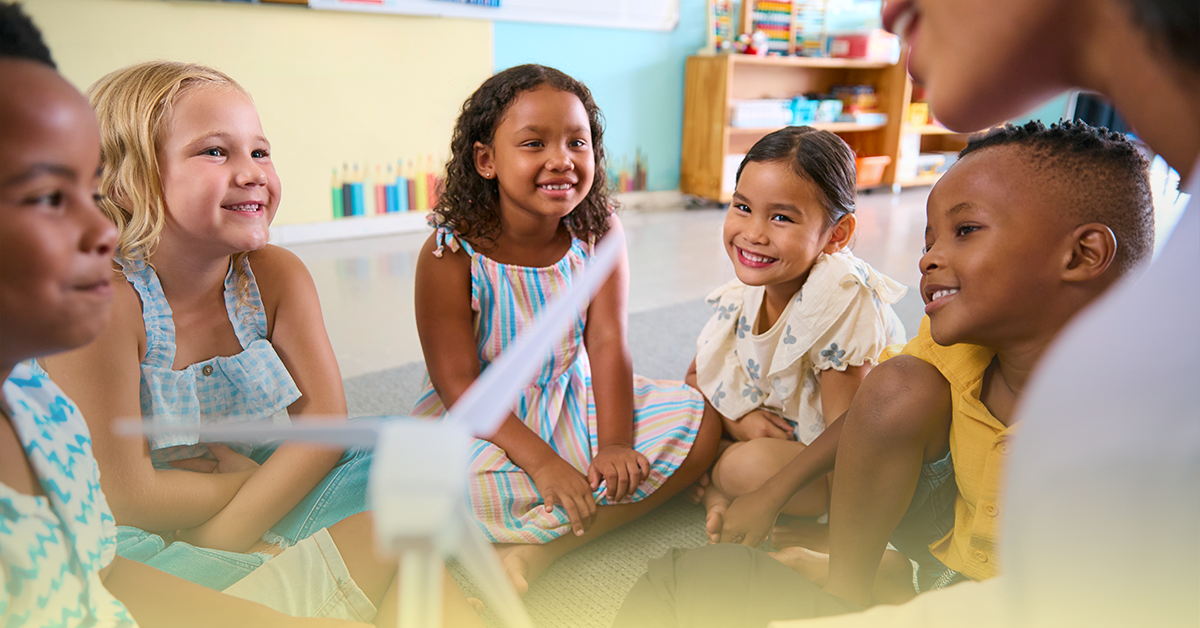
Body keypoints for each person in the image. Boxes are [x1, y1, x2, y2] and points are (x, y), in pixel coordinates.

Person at [612, 120, 1156, 627]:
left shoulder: (1148, 425)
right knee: (896, 384)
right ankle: (848, 587)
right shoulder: (953, 351)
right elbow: (865, 416)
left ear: (1084, 254)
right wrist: (771, 491)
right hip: (939, 556)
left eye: (965, 230)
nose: (928, 259)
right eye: (928, 241)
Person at [0, 5, 367, 625]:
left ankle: (265, 561)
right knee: (135, 557)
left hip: (253, 484)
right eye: (216, 152)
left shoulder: (276, 276)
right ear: (128, 182)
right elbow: (127, 499)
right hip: (153, 518)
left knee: (395, 461)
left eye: (260, 150)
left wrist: (235, 517)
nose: (252, 172)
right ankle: (274, 566)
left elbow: (327, 428)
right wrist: (242, 496)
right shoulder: (107, 302)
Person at [410, 63, 721, 594]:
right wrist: (546, 464)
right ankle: (561, 508)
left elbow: (606, 341)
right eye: (534, 144)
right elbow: (459, 385)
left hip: (573, 398)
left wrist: (617, 444)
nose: (562, 160)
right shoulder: (449, 252)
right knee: (442, 486)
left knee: (702, 425)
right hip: (487, 417)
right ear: (486, 160)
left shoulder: (599, 234)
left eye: (578, 143)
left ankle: (545, 547)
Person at [686, 126, 907, 547]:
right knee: (685, 403)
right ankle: (719, 481)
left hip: (836, 461)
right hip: (781, 426)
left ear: (836, 235)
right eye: (742, 207)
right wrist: (743, 420)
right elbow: (699, 374)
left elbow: (851, 437)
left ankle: (734, 488)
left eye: (781, 217)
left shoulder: (839, 297)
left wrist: (770, 493)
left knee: (740, 467)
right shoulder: (749, 288)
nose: (753, 232)